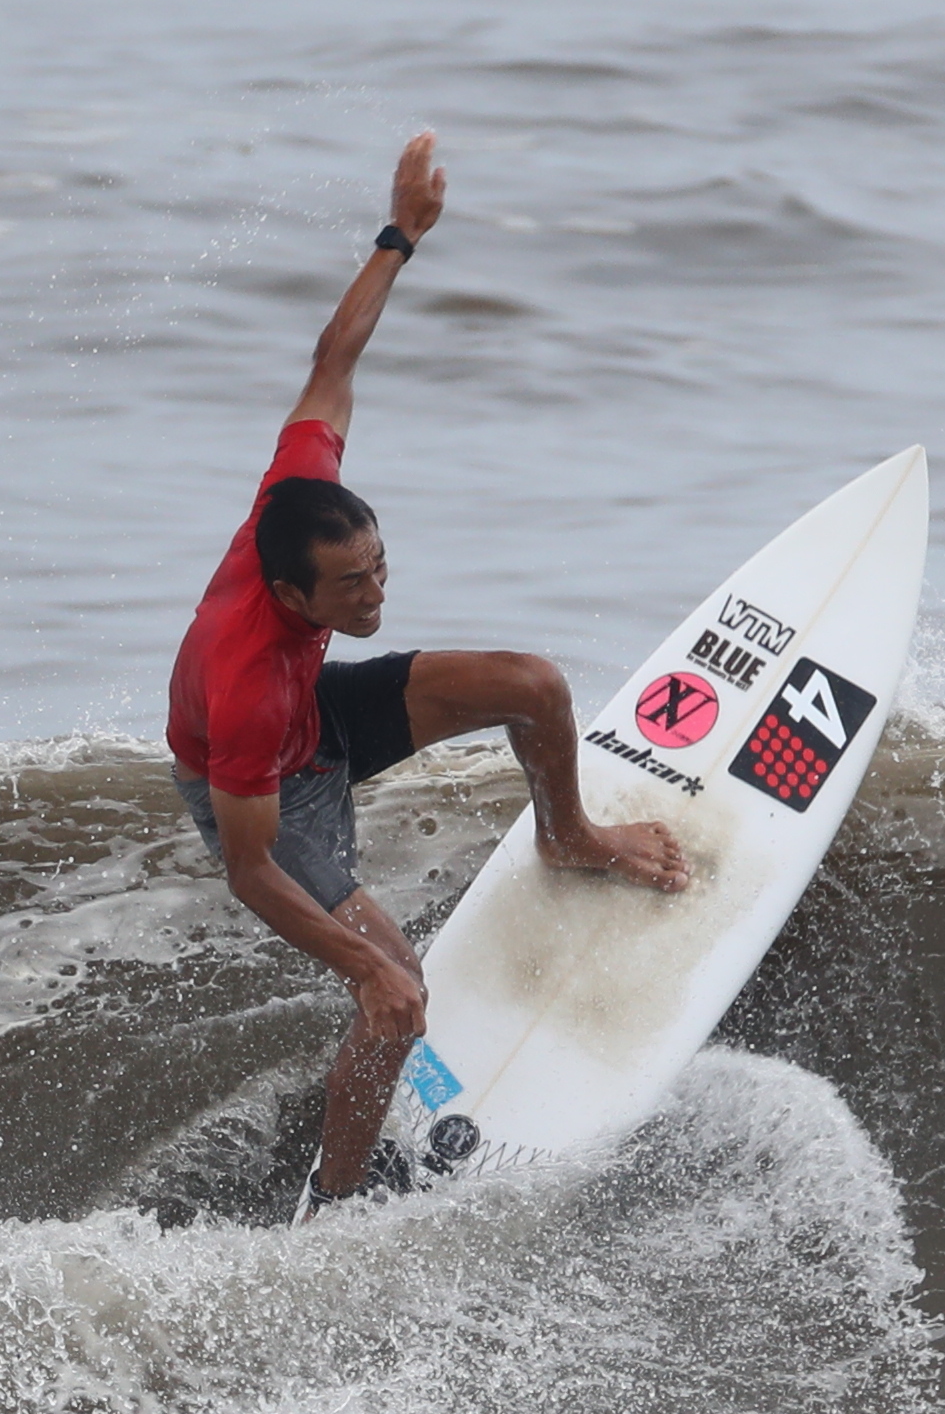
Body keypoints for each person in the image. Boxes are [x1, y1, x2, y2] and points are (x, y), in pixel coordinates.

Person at [166, 131, 692, 1203]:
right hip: (267, 782)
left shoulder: (300, 495)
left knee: (533, 685)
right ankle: (338, 1197)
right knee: (398, 993)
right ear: (290, 598)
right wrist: (361, 962)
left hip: (322, 713)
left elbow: (332, 359)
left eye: (380, 567)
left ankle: (568, 832)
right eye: (353, 588)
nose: (377, 595)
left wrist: (400, 234)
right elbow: (252, 869)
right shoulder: (247, 681)